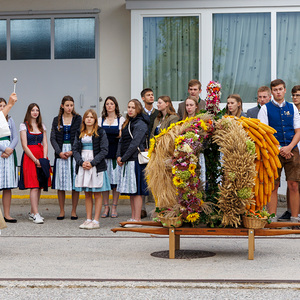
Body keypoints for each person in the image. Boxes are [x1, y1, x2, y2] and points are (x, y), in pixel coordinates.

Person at [258, 79, 300, 223]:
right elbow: (264, 133)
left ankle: (294, 219)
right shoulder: (265, 109)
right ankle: (272, 219)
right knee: (273, 185)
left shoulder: (292, 107)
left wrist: (289, 148)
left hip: (292, 149)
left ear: (285, 90)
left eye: (280, 89)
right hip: (272, 151)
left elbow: (298, 131)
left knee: (294, 184)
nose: (278, 92)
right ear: (272, 92)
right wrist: (278, 149)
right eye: (275, 90)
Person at [73, 109, 110, 230]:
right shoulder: (79, 132)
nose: (89, 119)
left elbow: (104, 150)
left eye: (91, 117)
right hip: (83, 165)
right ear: (84, 119)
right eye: (87, 117)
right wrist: (81, 162)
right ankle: (88, 219)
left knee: (97, 194)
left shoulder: (100, 132)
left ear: (95, 119)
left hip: (96, 166)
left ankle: (96, 220)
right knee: (87, 193)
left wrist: (92, 163)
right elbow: (75, 150)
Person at [116, 99, 149, 227]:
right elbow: (121, 141)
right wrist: (118, 155)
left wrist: (123, 157)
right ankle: (132, 217)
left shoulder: (140, 123)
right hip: (127, 160)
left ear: (138, 109)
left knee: (137, 191)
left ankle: (137, 219)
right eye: (129, 107)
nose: (130, 110)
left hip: (136, 160)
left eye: (133, 108)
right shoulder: (127, 122)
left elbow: (135, 143)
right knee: (131, 191)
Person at [19, 103, 51, 224]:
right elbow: (24, 145)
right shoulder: (24, 126)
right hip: (30, 157)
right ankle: (36, 213)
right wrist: (35, 160)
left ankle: (33, 212)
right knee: (34, 186)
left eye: (37, 110)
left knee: (40, 185)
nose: (35, 112)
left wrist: (43, 159)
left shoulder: (41, 126)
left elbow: (45, 143)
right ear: (29, 112)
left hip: (41, 155)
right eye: (33, 110)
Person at [50, 96, 82, 220]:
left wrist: (72, 151)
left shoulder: (78, 119)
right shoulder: (56, 120)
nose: (69, 108)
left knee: (75, 183)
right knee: (61, 183)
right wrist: (59, 152)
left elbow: (79, 136)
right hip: (61, 153)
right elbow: (52, 138)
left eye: (71, 105)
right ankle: (62, 211)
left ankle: (74, 211)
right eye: (67, 105)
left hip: (73, 152)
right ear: (62, 106)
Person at [98, 96, 125, 218]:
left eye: (112, 103)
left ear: (115, 106)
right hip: (104, 155)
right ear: (105, 106)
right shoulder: (100, 120)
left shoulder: (121, 120)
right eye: (107, 104)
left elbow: (121, 137)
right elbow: (98, 137)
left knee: (115, 183)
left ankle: (114, 206)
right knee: (105, 182)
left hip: (115, 155)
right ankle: (106, 207)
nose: (109, 106)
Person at [278, 85, 300, 221]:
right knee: (292, 182)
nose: (295, 97)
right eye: (293, 95)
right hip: (291, 150)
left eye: (298, 95)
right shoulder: (289, 110)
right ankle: (290, 210)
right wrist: (287, 149)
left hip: (295, 149)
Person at [141, 88, 158, 219]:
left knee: (155, 178)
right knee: (142, 178)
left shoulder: (157, 113)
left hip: (155, 149)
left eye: (152, 95)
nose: (151, 97)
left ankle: (156, 208)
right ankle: (142, 208)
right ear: (143, 98)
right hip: (142, 149)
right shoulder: (140, 113)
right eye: (148, 95)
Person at [0, 98, 18, 223]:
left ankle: (7, 214)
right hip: (1, 152)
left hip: (9, 154)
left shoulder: (10, 120)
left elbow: (15, 137)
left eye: (4, 105)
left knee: (7, 187)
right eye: (0, 106)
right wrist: (3, 149)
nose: (2, 108)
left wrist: (10, 149)